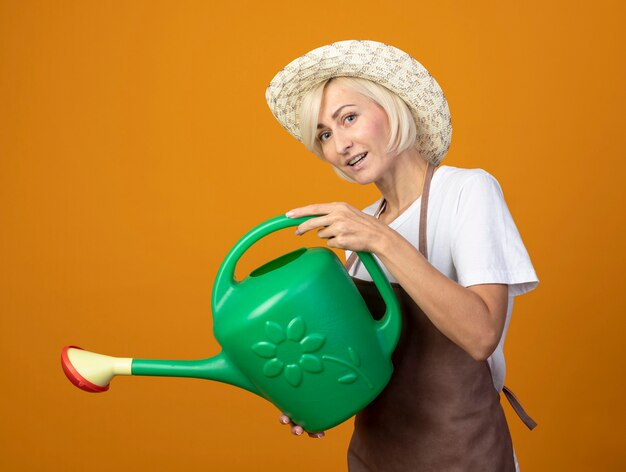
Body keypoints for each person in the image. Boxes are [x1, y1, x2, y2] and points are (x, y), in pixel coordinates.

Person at [265, 40, 539, 471]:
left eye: (348, 118)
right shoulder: (360, 230)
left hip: (463, 457)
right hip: (374, 458)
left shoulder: (465, 192)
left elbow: (482, 333)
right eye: (324, 134)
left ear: (393, 108)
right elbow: (360, 365)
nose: (340, 144)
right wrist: (313, 398)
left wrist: (382, 240)